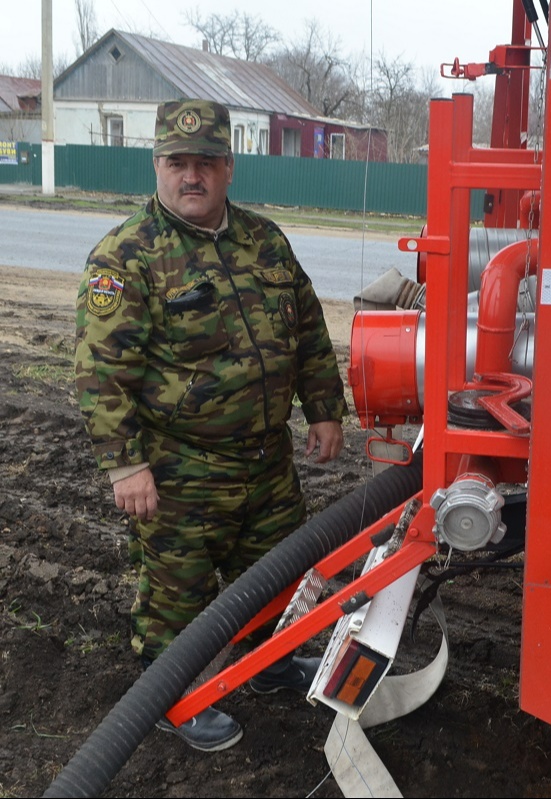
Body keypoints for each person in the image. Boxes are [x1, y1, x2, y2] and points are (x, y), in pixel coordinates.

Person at [74, 98, 348, 752]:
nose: (189, 175)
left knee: (278, 572)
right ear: (158, 164)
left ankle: (269, 661)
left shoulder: (265, 240)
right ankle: (172, 692)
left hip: (266, 461)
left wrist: (326, 408)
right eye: (176, 162)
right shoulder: (128, 256)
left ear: (228, 167)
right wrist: (126, 463)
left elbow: (308, 333)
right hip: (180, 470)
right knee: (179, 593)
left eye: (204, 162)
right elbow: (100, 371)